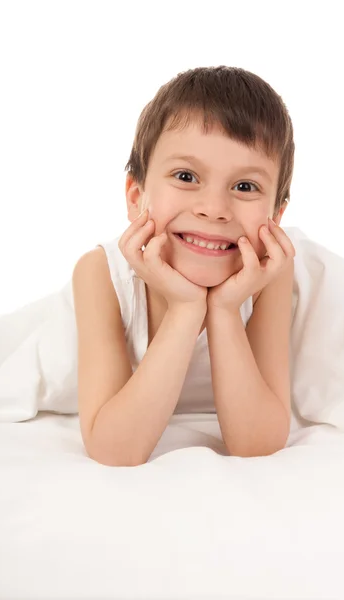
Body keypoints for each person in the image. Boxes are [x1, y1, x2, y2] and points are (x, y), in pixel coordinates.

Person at [72, 65, 296, 467]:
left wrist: (225, 309)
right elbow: (113, 449)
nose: (213, 209)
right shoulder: (99, 274)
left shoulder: (271, 276)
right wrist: (186, 308)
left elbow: (257, 444)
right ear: (136, 196)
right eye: (186, 176)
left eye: (245, 187)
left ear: (276, 216)